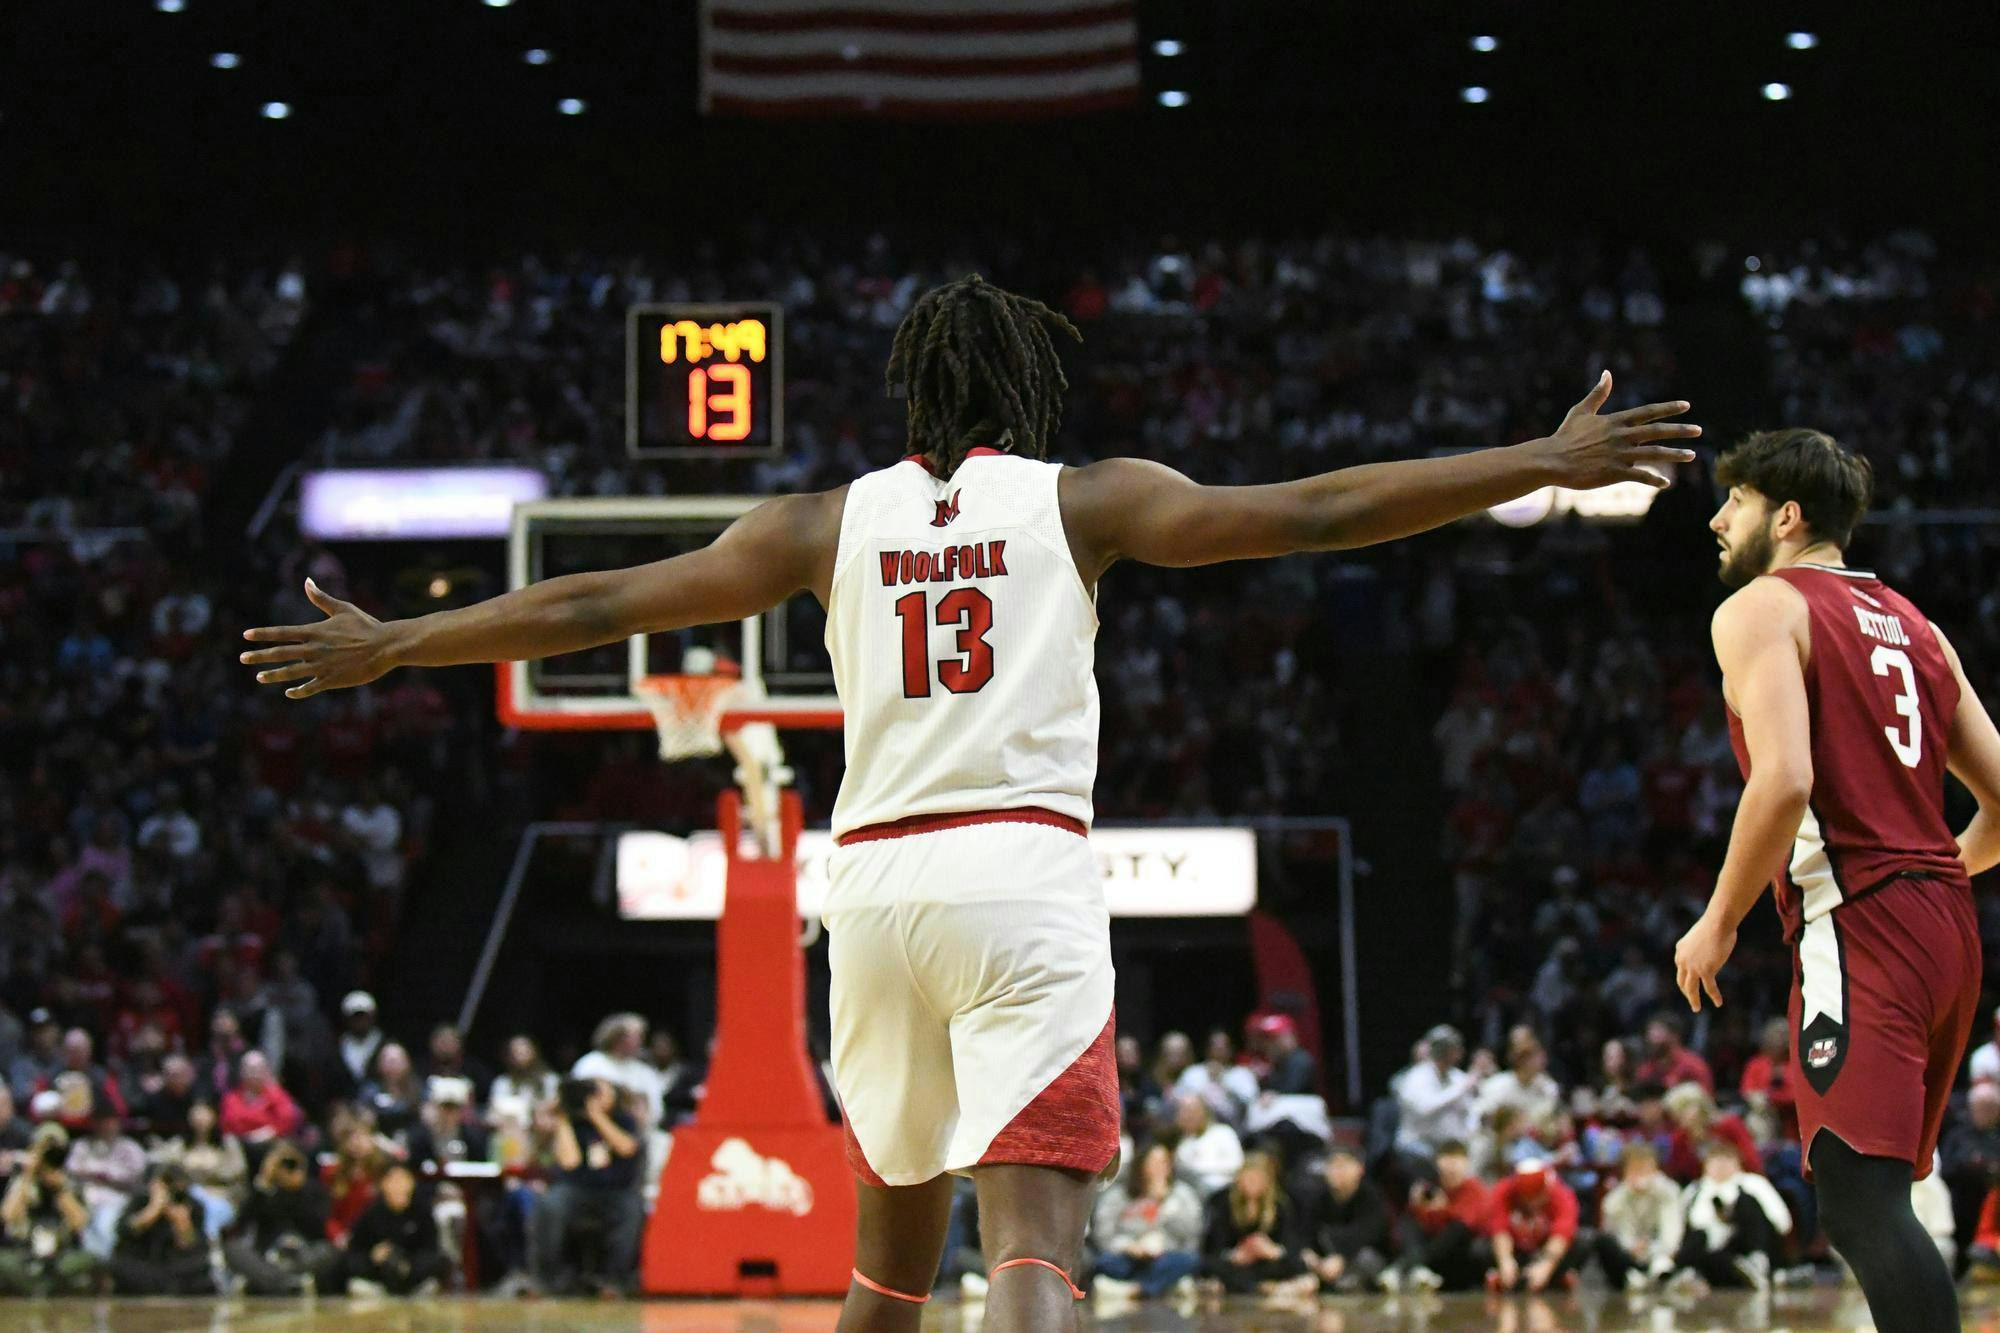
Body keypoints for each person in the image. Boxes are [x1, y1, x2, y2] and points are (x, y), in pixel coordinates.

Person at [241, 274, 1698, 1332]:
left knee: (884, 1273)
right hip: (1019, 874)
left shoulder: (822, 521)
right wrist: (1538, 462)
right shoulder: (1086, 499)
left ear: (915, 396)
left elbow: (601, 602)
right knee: (1033, 1254)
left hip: (872, 890)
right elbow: (1315, 510)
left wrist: (401, 641)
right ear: (1028, 392)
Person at [1672, 428, 2000, 1333]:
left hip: (1861, 921)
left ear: (1786, 516)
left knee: (1859, 1202)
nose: (1717, 518)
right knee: (1877, 1194)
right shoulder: (1921, 628)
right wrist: (1932, 870)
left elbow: (1785, 780)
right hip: (1947, 924)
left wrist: (1718, 919)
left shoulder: (1761, 608)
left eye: (1734, 501)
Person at [533, 1077, 643, 1297]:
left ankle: (616, 1281)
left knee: (632, 1210)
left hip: (617, 1190)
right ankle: (548, 1280)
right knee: (551, 1204)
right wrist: (562, 1117)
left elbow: (626, 1148)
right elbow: (569, 1162)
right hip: (577, 1189)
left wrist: (596, 1116)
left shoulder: (624, 1120)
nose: (594, 1097)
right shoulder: (572, 1123)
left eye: (600, 1092)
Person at [1671, 1140, 1792, 1292]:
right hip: (1711, 1250)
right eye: (1715, 1160)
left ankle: (1756, 1263)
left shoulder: (1754, 1184)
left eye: (1726, 1160)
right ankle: (1687, 1273)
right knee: (1697, 1238)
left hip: (1745, 1244)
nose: (1721, 1166)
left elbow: (1782, 1223)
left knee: (1746, 1202)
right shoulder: (1695, 1190)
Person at [224, 1139, 341, 1295]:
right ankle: (290, 1284)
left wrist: (298, 1189)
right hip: (267, 1256)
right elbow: (242, 1223)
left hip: (303, 1253)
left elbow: (317, 1226)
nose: (287, 1167)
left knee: (328, 1251)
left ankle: (272, 1284)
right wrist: (264, 1185)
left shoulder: (315, 1190)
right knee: (233, 1249)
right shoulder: (263, 1192)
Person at [1089, 1142, 1202, 1300]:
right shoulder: (1118, 1196)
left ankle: (1133, 1289)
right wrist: (1128, 1246)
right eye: (1154, 1162)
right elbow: (1103, 1234)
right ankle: (1166, 1285)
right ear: (1141, 1165)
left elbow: (1191, 1233)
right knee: (1106, 1263)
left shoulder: (1183, 1195)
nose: (1160, 1168)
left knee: (1187, 1261)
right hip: (1127, 1256)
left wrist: (1163, 1203)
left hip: (1166, 1255)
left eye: (1164, 1162)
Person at [1384, 1140, 1488, 1292]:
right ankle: (1418, 1271)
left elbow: (1467, 1222)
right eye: (1447, 1162)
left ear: (1466, 1164)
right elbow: (1417, 1217)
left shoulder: (1474, 1188)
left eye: (1456, 1163)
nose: (1451, 1169)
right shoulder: (1430, 1186)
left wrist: (1442, 1209)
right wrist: (1417, 1204)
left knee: (1458, 1229)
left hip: (1459, 1253)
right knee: (1408, 1222)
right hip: (1431, 1246)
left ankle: (1406, 1267)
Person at [1200, 1151, 1310, 1296]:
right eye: (1249, 1178)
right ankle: (1263, 1287)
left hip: (1266, 1263)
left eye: (1258, 1178)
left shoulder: (1281, 1206)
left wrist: (1272, 1251)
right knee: (1215, 1268)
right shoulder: (1222, 1203)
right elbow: (1212, 1248)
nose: (1253, 1182)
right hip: (1235, 1264)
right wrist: (1236, 1255)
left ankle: (1260, 1286)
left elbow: (1292, 1248)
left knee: (1293, 1266)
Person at [343, 1161, 453, 1297]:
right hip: (377, 1283)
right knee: (357, 1286)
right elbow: (352, 1255)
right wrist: (372, 1258)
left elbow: (433, 1252)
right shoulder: (370, 1214)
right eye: (392, 1180)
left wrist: (409, 1266)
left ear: (411, 1183)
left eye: (402, 1179)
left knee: (432, 1282)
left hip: (415, 1281)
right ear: (383, 1184)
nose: (398, 1185)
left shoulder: (423, 1213)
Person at [1587, 1141, 1683, 1291]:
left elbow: (1672, 1231)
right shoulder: (1615, 1198)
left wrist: (1655, 1249)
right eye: (1636, 1169)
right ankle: (1633, 1278)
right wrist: (1631, 1246)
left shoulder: (1668, 1191)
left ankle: (1662, 1276)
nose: (1641, 1175)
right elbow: (1613, 1230)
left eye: (1646, 1169)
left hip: (1660, 1252)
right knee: (1602, 1241)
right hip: (1629, 1257)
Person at [1295, 1145, 1388, 1293]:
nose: (1337, 1171)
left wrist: (1342, 1258)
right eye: (1332, 1165)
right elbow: (1304, 1233)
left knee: (1366, 1259)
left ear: (1360, 1169)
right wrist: (1310, 1255)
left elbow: (1370, 1233)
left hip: (1359, 1259)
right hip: (1325, 1262)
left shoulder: (1371, 1197)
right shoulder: (1317, 1197)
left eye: (1343, 1165)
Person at [108, 1163, 212, 1295]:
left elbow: (195, 1246)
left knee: (200, 1271)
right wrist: (152, 1211)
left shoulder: (192, 1204)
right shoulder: (141, 1200)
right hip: (141, 1262)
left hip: (177, 1266)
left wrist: (182, 1224)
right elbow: (124, 1231)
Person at [1485, 1160, 1581, 1293]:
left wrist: (1546, 1264)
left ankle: (1557, 1277)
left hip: (1545, 1249)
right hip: (1516, 1249)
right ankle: (1507, 1277)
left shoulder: (1562, 1194)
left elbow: (1562, 1233)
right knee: (1481, 1247)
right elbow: (1499, 1229)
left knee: (1582, 1242)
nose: (1532, 1203)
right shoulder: (1503, 1190)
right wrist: (1505, 1260)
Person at [1394, 1025, 1478, 1161]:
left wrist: (1470, 1133)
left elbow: (1471, 1110)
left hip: (1450, 1146)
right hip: (1418, 1145)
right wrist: (1459, 1091)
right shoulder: (1416, 1077)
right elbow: (1424, 1108)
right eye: (1444, 1047)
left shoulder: (1459, 1078)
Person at [1170, 1095, 1243, 1198]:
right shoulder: (1183, 1145)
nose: (1190, 1116)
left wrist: (1201, 1168)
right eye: (1185, 1112)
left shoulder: (1223, 1132)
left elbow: (1237, 1163)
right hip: (1195, 1195)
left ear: (1205, 1112)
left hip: (1225, 1191)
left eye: (1193, 1111)